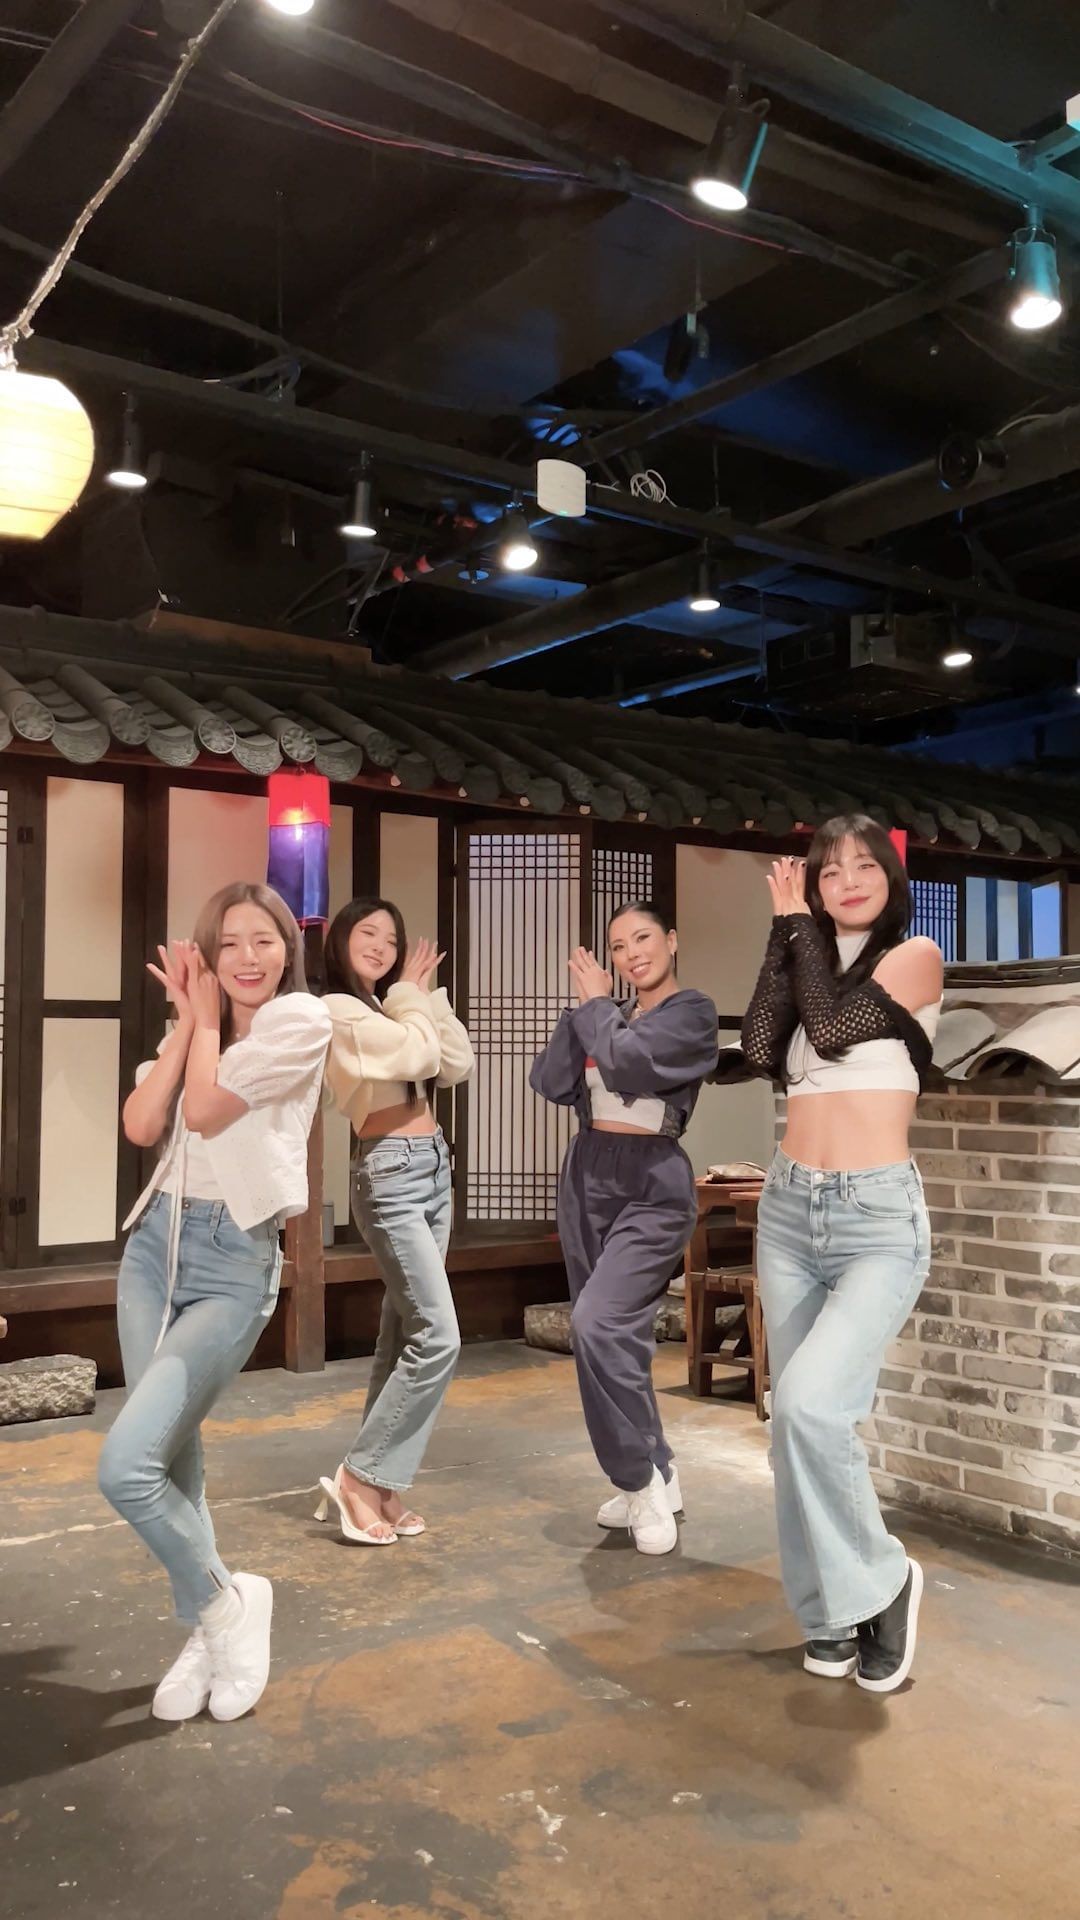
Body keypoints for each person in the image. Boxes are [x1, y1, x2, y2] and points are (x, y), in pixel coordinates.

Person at [98, 883, 331, 1723]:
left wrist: (200, 1027)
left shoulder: (299, 1022)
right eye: (228, 943)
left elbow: (203, 1110)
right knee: (169, 1461)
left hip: (234, 1260)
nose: (246, 957)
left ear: (287, 948)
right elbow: (142, 1124)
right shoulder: (195, 1028)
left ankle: (228, 1607)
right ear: (207, 954)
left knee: (126, 1467)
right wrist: (189, 1023)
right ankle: (214, 1616)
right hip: (153, 1252)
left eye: (263, 939)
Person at [741, 816, 943, 1694]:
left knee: (812, 1407)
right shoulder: (805, 956)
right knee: (790, 1427)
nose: (848, 880)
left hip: (876, 1221)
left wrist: (795, 927)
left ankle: (885, 1581)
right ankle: (827, 1612)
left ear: (891, 880)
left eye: (865, 866)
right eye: (829, 871)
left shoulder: (915, 957)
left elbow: (827, 1032)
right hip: (789, 1212)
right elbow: (762, 1047)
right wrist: (782, 935)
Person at [531, 903, 719, 1554]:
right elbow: (550, 1080)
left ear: (672, 940)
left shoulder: (692, 1013)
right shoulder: (606, 1013)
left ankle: (637, 1482)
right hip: (587, 1175)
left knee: (597, 1323)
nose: (632, 953)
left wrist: (594, 1010)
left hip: (653, 1182)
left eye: (643, 938)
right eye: (618, 946)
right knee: (615, 1341)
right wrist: (582, 1013)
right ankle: (659, 1471)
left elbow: (630, 1065)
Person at [315, 897, 474, 1545]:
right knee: (438, 1336)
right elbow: (416, 1058)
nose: (381, 945)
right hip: (390, 1172)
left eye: (391, 937)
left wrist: (424, 997)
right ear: (340, 941)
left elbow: (456, 1063)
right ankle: (358, 1478)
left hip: (433, 1165)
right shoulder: (337, 1009)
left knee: (404, 1332)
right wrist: (413, 997)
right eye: (368, 933)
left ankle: (382, 1484)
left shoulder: (392, 1006)